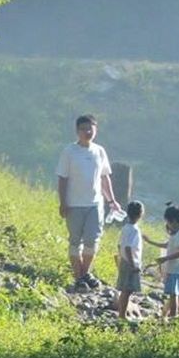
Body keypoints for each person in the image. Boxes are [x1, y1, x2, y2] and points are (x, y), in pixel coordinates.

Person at [55, 114, 119, 291]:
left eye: (91, 128)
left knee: (92, 240)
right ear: (77, 131)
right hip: (74, 204)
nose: (87, 132)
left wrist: (111, 200)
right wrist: (63, 202)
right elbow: (62, 178)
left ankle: (85, 272)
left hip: (94, 204)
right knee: (75, 240)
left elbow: (104, 177)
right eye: (84, 129)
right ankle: (79, 276)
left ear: (96, 130)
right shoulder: (69, 152)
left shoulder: (99, 151)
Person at [113, 200, 156, 319]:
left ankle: (121, 314)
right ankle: (122, 316)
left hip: (124, 261)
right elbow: (128, 248)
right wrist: (133, 265)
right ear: (141, 214)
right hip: (130, 263)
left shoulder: (126, 228)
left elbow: (120, 245)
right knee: (127, 290)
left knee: (125, 290)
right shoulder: (134, 230)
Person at [155, 202, 179, 319]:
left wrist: (165, 258)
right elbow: (168, 245)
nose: (168, 225)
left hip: (175, 270)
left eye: (168, 222)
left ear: (174, 221)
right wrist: (150, 242)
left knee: (173, 295)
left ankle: (173, 316)